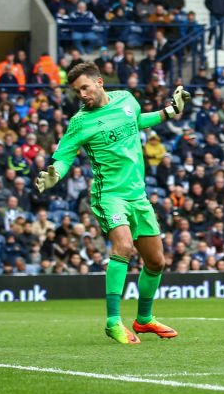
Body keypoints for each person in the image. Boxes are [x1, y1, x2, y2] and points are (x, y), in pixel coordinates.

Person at [35, 62, 190, 344]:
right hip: (110, 195)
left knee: (156, 262)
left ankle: (143, 320)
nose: (81, 94)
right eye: (76, 90)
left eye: (84, 87)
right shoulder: (80, 122)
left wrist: (171, 111)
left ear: (99, 83)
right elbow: (64, 155)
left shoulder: (126, 100)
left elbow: (138, 120)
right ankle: (112, 321)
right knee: (124, 246)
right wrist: (55, 173)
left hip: (137, 195)